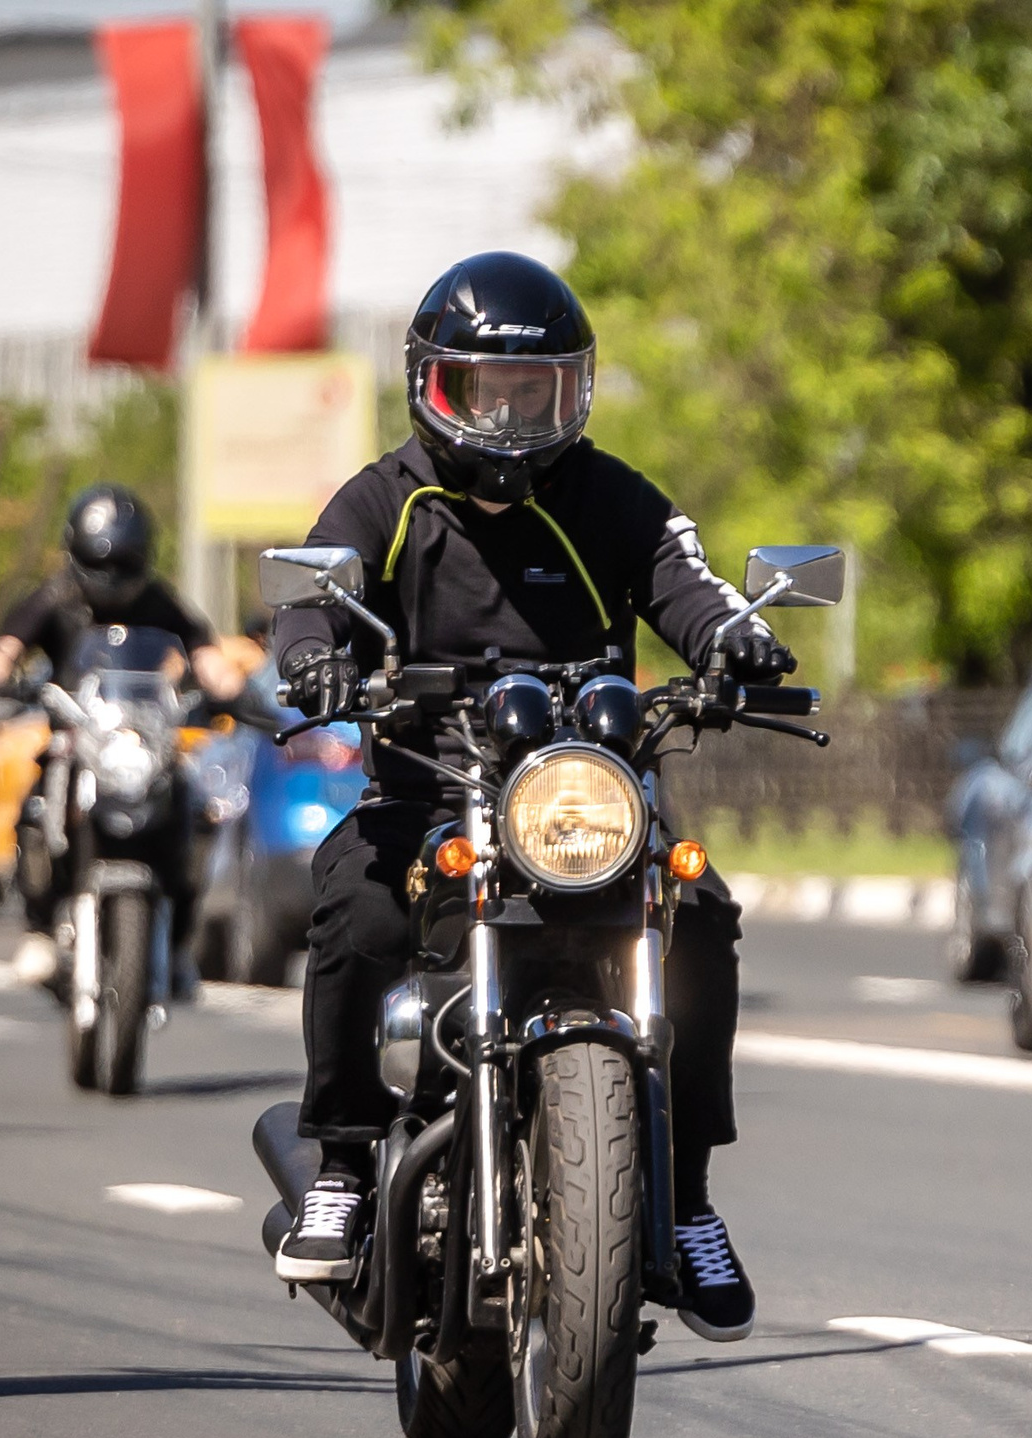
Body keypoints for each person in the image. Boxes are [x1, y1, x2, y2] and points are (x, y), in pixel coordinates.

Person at [267, 251, 791, 1342]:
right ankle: (345, 1163)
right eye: (484, 392)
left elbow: (689, 585)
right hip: (434, 791)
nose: (508, 420)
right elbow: (320, 588)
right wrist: (314, 654)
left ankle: (687, 1196)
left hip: (585, 799)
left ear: (573, 392)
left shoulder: (611, 495)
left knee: (699, 920)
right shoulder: (388, 497)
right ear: (432, 386)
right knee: (357, 910)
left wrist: (739, 639)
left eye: (533, 393)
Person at [0, 484, 245, 986]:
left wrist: (231, 690)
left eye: (126, 564)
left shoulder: (159, 601)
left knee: (197, 812)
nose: (114, 578)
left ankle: (180, 939)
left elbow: (207, 654)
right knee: (34, 810)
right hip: (76, 740)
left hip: (144, 742)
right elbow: (6, 647)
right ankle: (38, 927)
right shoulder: (55, 596)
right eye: (103, 564)